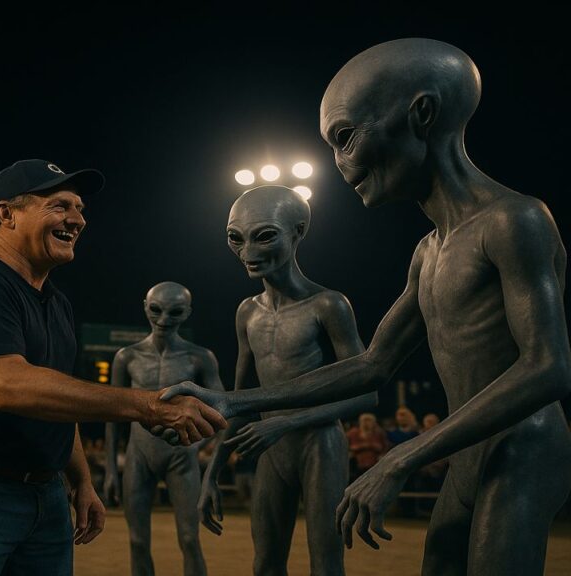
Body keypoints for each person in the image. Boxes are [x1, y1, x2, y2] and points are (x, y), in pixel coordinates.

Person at [162, 39, 571, 575]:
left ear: (421, 113)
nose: (340, 163)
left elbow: (547, 368)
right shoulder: (428, 252)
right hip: (468, 453)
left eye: (346, 137)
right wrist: (231, 402)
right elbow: (371, 364)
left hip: (523, 449)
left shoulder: (514, 221)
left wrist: (402, 455)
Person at [0, 159, 226, 575]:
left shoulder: (56, 302)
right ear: (6, 214)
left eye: (80, 208)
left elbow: (59, 399)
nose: (77, 219)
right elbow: (10, 386)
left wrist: (81, 480)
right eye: (59, 205)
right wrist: (147, 405)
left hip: (44, 492)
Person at [197, 186, 374, 576]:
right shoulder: (247, 312)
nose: (247, 252)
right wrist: (212, 471)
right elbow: (240, 401)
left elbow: (368, 394)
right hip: (272, 450)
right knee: (265, 561)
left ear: (298, 232)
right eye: (235, 238)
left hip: (320, 444)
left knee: (325, 560)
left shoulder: (328, 304)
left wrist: (288, 421)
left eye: (264, 236)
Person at [103, 282, 223, 576]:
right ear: (145, 305)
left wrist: (208, 461)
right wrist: (110, 469)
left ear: (188, 313)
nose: (164, 319)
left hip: (182, 457)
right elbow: (113, 415)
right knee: (137, 541)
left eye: (175, 312)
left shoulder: (199, 357)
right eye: (156, 310)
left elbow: (222, 411)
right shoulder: (127, 357)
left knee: (189, 539)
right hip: (138, 456)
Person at [347, 413, 388, 479]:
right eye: (364, 420)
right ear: (360, 422)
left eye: (369, 420)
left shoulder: (379, 433)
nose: (366, 423)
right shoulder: (353, 433)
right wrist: (367, 446)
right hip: (356, 462)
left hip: (375, 461)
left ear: (374, 422)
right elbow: (350, 447)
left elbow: (384, 447)